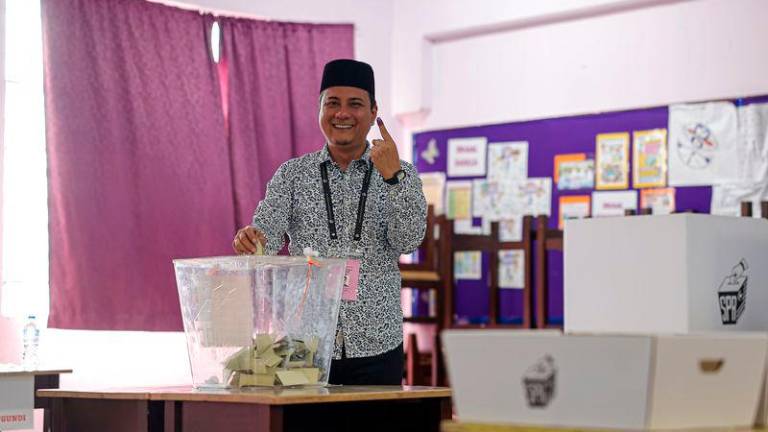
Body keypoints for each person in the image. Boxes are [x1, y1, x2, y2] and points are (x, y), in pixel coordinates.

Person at [232, 59, 427, 385]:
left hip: (377, 342)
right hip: (304, 343)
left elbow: (409, 240)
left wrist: (393, 179)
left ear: (374, 110)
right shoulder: (293, 174)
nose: (342, 113)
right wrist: (251, 238)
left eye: (355, 104)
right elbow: (266, 232)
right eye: (332, 103)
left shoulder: (400, 171)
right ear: (320, 108)